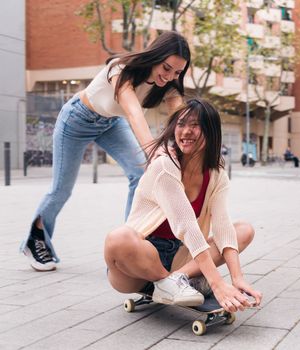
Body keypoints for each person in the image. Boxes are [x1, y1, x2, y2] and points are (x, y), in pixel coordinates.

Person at [21, 31, 191, 271]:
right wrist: (155, 151)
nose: (170, 76)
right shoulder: (120, 68)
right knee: (62, 189)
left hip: (111, 123)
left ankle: (132, 243)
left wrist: (186, 143)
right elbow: (132, 112)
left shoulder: (168, 84)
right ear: (155, 55)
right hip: (77, 119)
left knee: (140, 175)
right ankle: (36, 236)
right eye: (166, 68)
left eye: (177, 73)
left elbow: (179, 114)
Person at [104, 98, 262, 312]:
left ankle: (177, 280)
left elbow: (223, 226)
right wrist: (216, 283)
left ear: (210, 131)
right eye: (181, 124)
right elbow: (186, 225)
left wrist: (237, 278)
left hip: (182, 256)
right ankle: (172, 282)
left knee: (243, 230)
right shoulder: (165, 165)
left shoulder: (216, 174)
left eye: (195, 125)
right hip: (139, 262)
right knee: (118, 238)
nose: (186, 131)